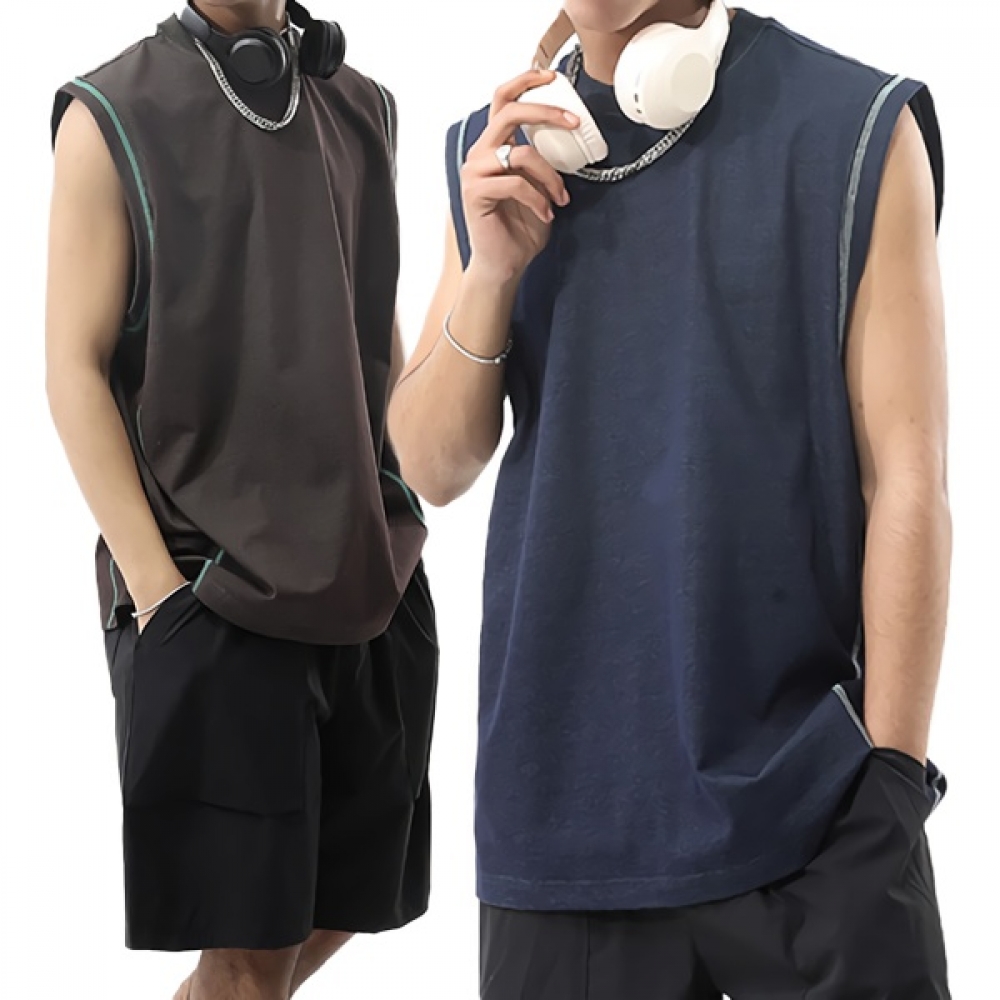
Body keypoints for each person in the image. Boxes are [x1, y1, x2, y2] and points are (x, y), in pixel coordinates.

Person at [388, 0, 951, 996]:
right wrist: (491, 273)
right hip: (560, 828)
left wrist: (893, 785)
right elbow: (432, 463)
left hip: (817, 818)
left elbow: (906, 474)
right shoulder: (500, 157)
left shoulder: (856, 126)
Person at [45, 2, 437, 997]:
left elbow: (376, 333)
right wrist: (158, 592)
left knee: (351, 900)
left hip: (369, 582)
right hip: (212, 591)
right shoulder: (109, 113)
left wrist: (397, 501)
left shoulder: (363, 106)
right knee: (247, 953)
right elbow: (72, 367)